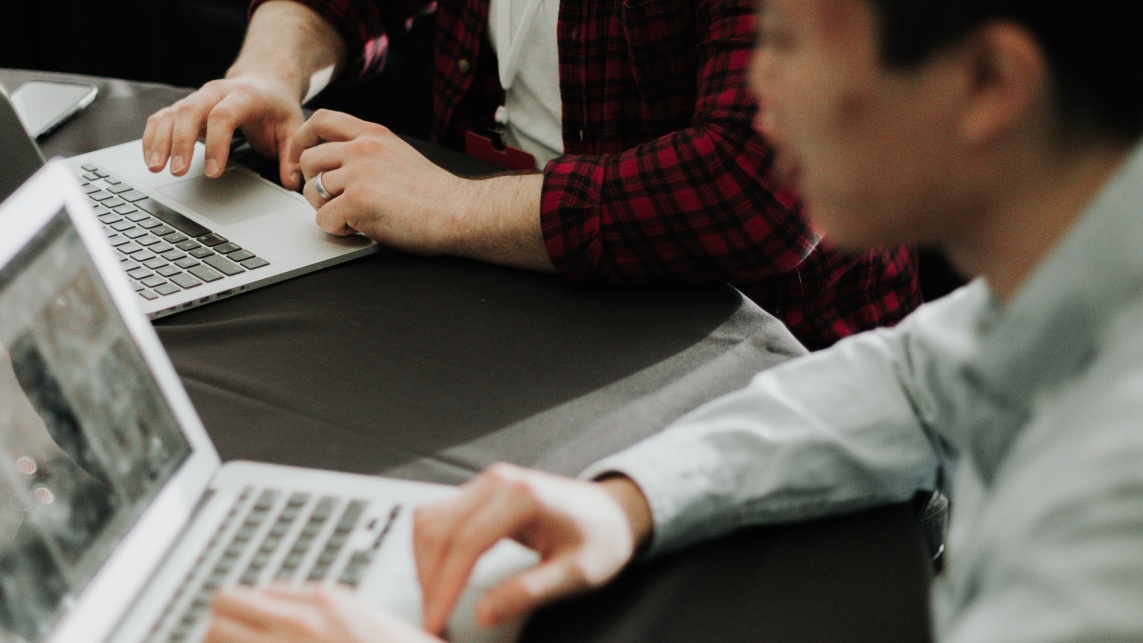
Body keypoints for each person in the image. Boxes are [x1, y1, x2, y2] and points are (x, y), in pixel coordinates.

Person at [205, 0, 1143, 640]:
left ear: (987, 85)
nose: (757, 95)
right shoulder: (1069, 271)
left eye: (788, 42)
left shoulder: (1108, 511)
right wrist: (625, 498)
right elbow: (912, 378)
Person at [140, 0, 921, 351]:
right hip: (507, 280)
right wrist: (270, 71)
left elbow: (762, 189)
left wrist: (447, 206)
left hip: (763, 353)